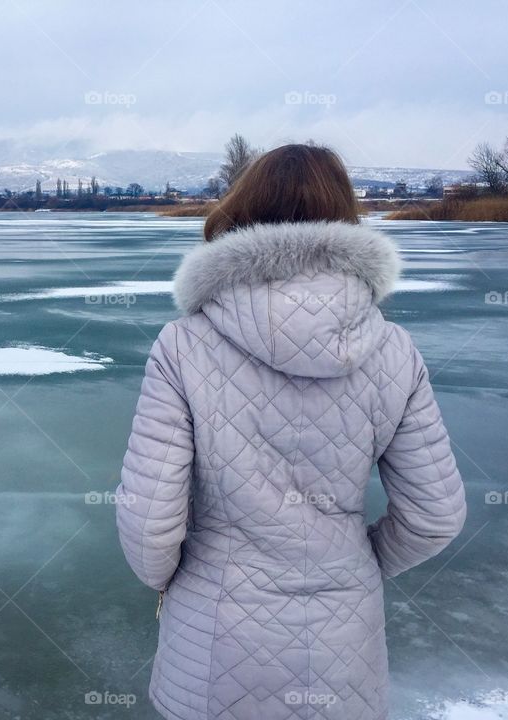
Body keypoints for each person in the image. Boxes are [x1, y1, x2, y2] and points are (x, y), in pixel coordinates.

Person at [115, 144, 466, 720]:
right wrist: (357, 559)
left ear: (241, 211)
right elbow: (436, 516)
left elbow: (150, 520)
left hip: (216, 631)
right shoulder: (395, 349)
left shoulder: (184, 345)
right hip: (342, 640)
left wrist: (182, 582)